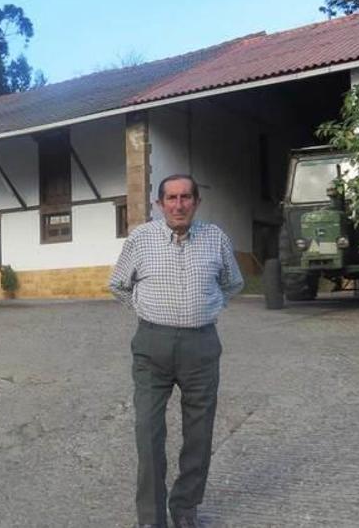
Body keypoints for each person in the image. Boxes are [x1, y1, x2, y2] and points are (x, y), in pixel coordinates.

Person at [108, 174, 244, 528]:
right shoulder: (140, 238)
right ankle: (152, 518)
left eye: (186, 197)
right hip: (152, 345)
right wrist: (148, 310)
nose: (179, 204)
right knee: (148, 430)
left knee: (199, 431)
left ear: (196, 202)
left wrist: (207, 307)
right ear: (159, 203)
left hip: (201, 345)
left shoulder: (215, 238)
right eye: (171, 198)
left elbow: (233, 283)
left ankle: (185, 507)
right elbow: (119, 285)